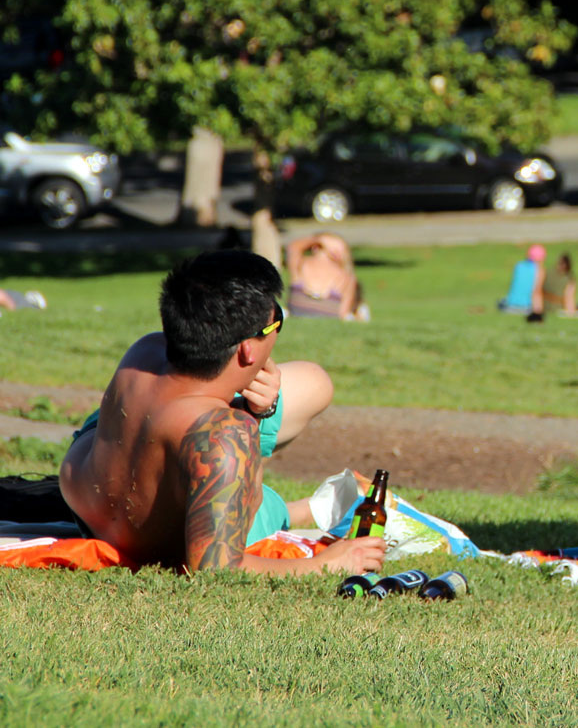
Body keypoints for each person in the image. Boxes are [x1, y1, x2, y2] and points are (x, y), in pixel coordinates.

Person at [59, 251, 383, 574]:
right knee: (262, 500)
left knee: (311, 384)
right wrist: (328, 563)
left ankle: (303, 507)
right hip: (147, 535)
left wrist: (258, 410)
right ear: (248, 348)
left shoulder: (144, 351)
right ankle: (302, 510)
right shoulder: (224, 432)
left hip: (92, 505)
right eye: (277, 322)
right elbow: (215, 567)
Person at [285, 232, 367, 321]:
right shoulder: (302, 264)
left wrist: (317, 240)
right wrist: (318, 240)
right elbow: (343, 313)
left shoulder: (300, 264)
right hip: (322, 316)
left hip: (299, 314)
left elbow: (293, 248)